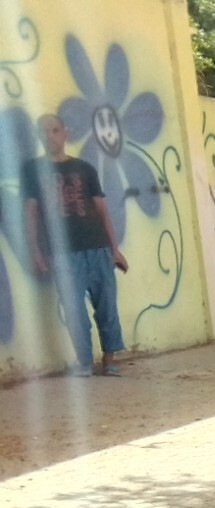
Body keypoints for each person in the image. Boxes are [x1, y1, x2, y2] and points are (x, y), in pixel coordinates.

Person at [22, 113, 129, 376]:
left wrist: (114, 249)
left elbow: (103, 212)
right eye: (44, 131)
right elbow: (31, 213)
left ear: (65, 133)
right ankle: (84, 362)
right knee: (74, 311)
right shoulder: (32, 170)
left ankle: (110, 359)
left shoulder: (85, 169)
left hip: (98, 247)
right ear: (39, 135)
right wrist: (35, 252)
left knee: (107, 306)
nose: (50, 136)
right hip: (63, 254)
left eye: (55, 130)